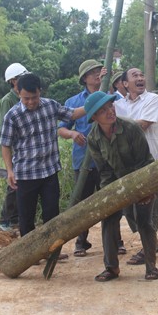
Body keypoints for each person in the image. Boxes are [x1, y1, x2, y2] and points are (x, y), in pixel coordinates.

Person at [0, 73, 86, 249]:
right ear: (19, 94)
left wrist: (95, 103)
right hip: (26, 174)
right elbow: (5, 145)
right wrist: (10, 170)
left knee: (52, 215)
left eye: (34, 97)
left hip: (49, 172)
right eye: (26, 99)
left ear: (40, 91)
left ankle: (51, 250)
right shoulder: (12, 115)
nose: (30, 102)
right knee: (26, 217)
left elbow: (72, 114)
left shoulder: (50, 106)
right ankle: (30, 253)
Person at [85, 91, 158, 281]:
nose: (110, 111)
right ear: (94, 117)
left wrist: (146, 190)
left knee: (144, 222)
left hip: (141, 180)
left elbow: (145, 161)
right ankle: (111, 268)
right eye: (103, 110)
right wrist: (108, 196)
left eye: (111, 106)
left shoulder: (131, 127)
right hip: (116, 184)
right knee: (108, 221)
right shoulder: (93, 137)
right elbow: (105, 171)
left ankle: (151, 267)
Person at [57, 59, 107, 257]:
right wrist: (72, 135)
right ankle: (81, 242)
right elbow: (61, 128)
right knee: (82, 204)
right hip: (82, 160)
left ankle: (114, 241)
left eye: (98, 71)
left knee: (109, 202)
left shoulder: (110, 96)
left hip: (107, 160)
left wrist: (108, 85)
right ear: (84, 78)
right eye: (92, 72)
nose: (97, 75)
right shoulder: (73, 102)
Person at [115, 67, 158, 266]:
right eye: (135, 76)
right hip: (127, 164)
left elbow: (141, 126)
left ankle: (148, 247)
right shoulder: (118, 104)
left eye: (142, 75)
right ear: (124, 84)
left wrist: (117, 127)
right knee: (128, 209)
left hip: (151, 162)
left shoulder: (153, 100)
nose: (141, 78)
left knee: (150, 207)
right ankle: (152, 241)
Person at [0, 62, 28, 232]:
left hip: (25, 150)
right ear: (13, 81)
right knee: (14, 184)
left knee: (22, 186)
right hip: (14, 149)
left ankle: (16, 218)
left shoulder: (24, 97)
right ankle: (6, 219)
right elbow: (5, 130)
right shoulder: (8, 101)